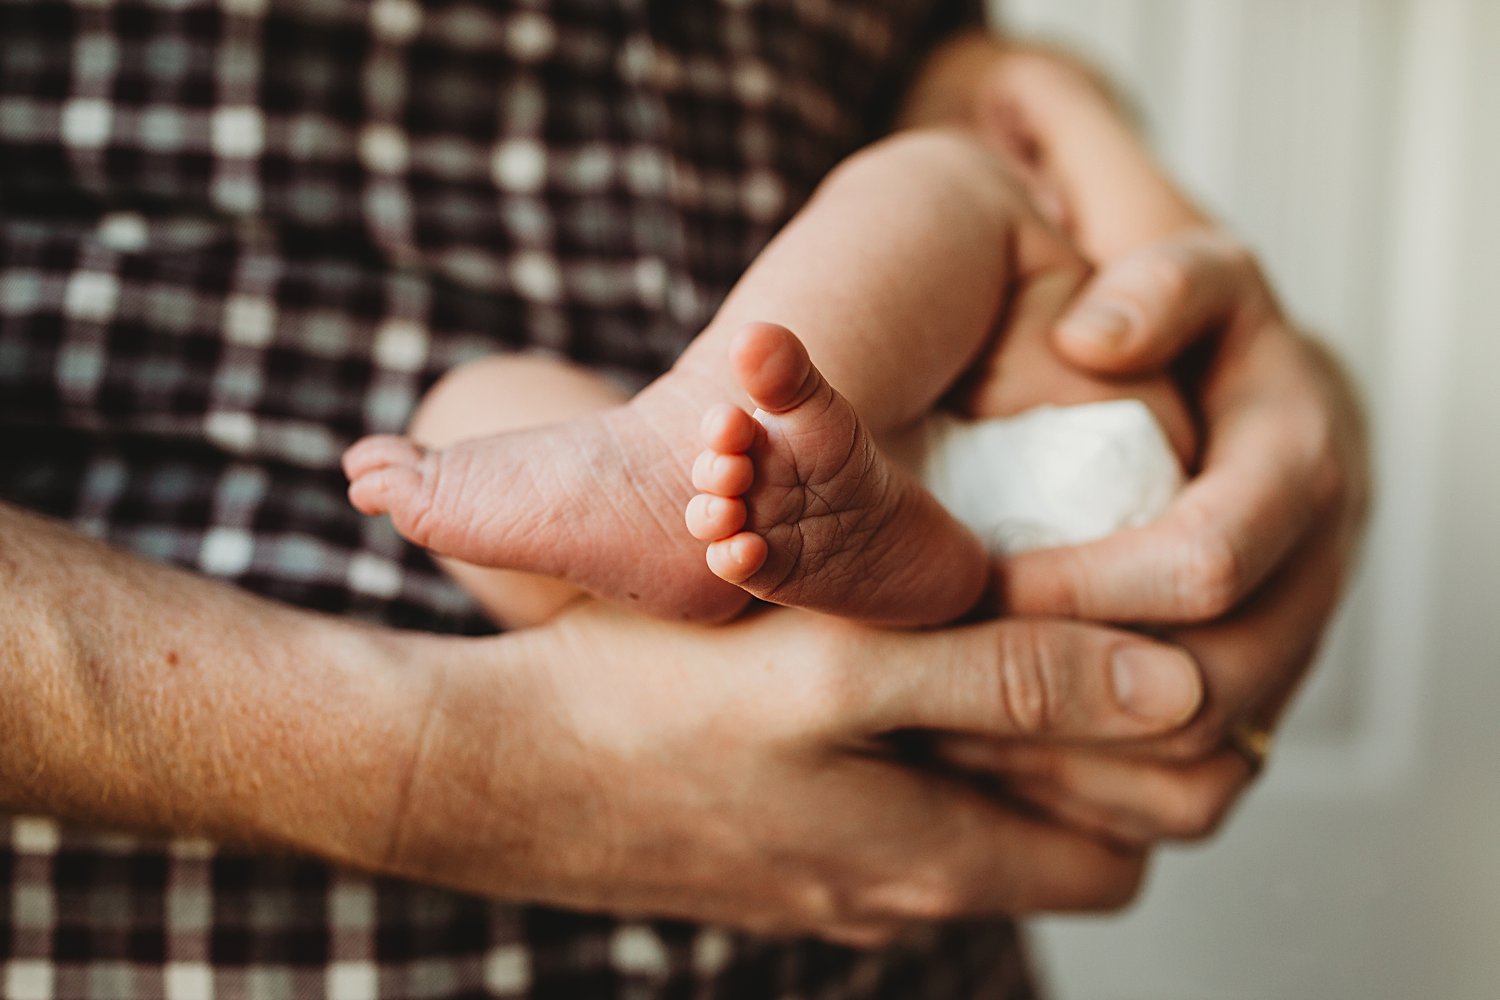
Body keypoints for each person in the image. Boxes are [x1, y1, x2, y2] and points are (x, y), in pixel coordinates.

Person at [0, 5, 1368, 1000]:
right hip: (911, 612)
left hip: (968, 551)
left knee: (949, 184)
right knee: (499, 414)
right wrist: (435, 772)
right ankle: (871, 546)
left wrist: (1047, 105)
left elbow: (992, 92)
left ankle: (700, 468)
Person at [341, 119, 1196, 629]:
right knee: (468, 412)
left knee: (947, 171)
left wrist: (1035, 128)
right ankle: (903, 559)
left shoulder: (1025, 159)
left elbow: (1072, 146)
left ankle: (672, 452)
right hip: (917, 576)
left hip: (1065, 425)